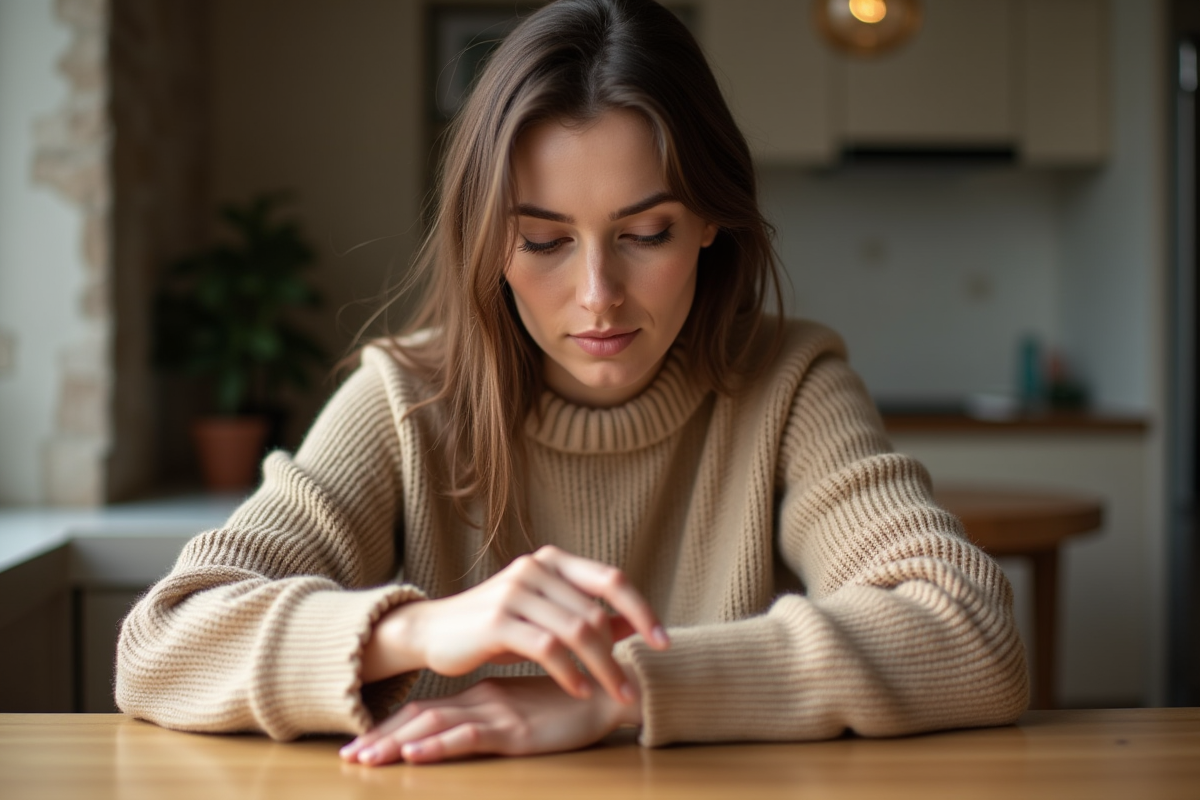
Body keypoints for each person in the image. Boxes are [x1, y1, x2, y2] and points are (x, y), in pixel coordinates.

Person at [115, 0, 1028, 766]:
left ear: (711, 222)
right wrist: (425, 630)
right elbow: (162, 645)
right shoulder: (405, 399)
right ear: (488, 242)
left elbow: (972, 635)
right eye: (544, 241)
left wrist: (623, 692)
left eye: (647, 233)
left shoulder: (789, 384)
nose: (597, 297)